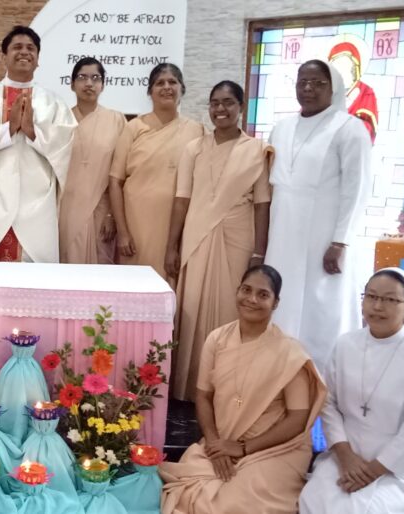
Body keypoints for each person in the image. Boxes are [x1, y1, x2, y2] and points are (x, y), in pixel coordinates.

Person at [160, 265, 325, 513]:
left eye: (263, 294)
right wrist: (215, 445)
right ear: (237, 291)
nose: (252, 299)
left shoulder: (290, 353)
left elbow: (298, 418)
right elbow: (203, 396)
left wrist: (245, 447)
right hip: (222, 441)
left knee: (232, 504)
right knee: (189, 491)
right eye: (246, 290)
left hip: (274, 449)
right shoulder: (217, 339)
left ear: (276, 303)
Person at [299, 268, 404, 513]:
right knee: (312, 499)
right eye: (371, 296)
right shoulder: (345, 345)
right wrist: (345, 456)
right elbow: (328, 403)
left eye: (390, 299)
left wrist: (373, 471)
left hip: (399, 467)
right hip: (346, 454)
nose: (377, 306)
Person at [165, 81, 272, 401]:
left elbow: (262, 204)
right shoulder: (194, 148)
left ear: (241, 107)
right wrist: (172, 246)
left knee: (231, 308)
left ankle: (226, 387)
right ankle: (187, 387)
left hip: (238, 237)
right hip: (197, 235)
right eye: (215, 103)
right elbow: (181, 199)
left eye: (228, 103)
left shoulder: (257, 150)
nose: (220, 109)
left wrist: (259, 253)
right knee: (192, 306)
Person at [264, 60, 372, 370]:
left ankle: (321, 376)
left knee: (322, 306)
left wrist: (341, 241)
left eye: (318, 83)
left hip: (324, 235)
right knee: (281, 298)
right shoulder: (282, 128)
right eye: (303, 82)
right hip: (283, 231)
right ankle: (278, 370)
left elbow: (357, 189)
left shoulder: (349, 128)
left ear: (333, 88)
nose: (308, 88)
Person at [0, 25, 76, 262]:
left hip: (37, 202)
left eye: (31, 48)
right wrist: (7, 130)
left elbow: (65, 140)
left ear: (38, 59)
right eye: (17, 47)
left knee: (34, 270)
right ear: (4, 56)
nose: (24, 52)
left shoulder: (53, 102)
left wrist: (33, 132)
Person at [109, 63, 205, 281]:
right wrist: (122, 232)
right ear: (150, 91)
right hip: (136, 225)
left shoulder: (196, 131)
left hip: (177, 225)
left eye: (172, 82)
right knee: (135, 284)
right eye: (160, 83)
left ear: (182, 89)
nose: (166, 87)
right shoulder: (134, 127)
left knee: (170, 282)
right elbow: (115, 182)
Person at [58, 57, 127, 264]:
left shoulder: (116, 120)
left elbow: (122, 173)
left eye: (95, 78)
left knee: (99, 269)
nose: (89, 83)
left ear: (103, 85)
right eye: (82, 77)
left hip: (101, 210)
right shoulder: (60, 121)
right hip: (65, 209)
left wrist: (112, 215)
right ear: (72, 84)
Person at [328, 40, 379, 143]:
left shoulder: (365, 92)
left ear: (353, 67)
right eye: (336, 65)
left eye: (344, 65)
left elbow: (369, 129)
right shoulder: (322, 90)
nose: (339, 70)